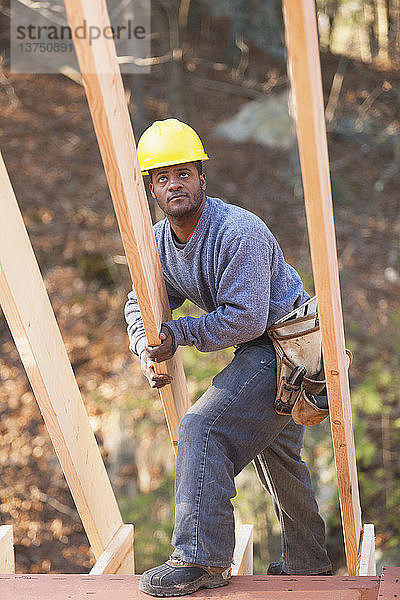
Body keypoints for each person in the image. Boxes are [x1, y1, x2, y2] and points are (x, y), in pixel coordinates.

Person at [125, 119, 332, 597]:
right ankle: (312, 566)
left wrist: (177, 334)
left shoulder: (238, 230)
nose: (173, 184)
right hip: (263, 345)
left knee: (204, 427)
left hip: (287, 346)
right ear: (152, 188)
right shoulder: (159, 242)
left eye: (183, 173)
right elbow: (140, 301)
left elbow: (246, 319)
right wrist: (146, 345)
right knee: (280, 457)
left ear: (202, 177)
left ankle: (201, 559)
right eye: (162, 177)